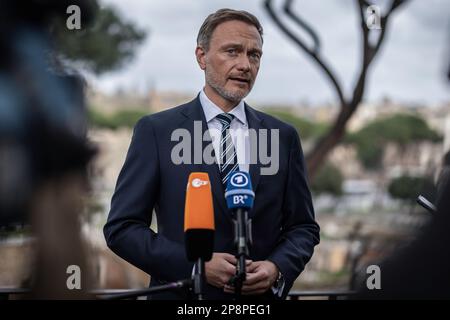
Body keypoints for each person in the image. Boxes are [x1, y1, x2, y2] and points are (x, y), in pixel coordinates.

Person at [104, 8, 320, 300]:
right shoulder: (156, 131)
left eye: (254, 55)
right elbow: (122, 228)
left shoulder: (284, 137)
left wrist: (276, 268)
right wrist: (196, 265)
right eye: (232, 51)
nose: (245, 64)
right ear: (201, 57)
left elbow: (303, 227)